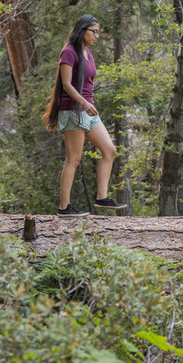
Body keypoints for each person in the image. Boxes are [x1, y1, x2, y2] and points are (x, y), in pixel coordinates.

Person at [43, 14, 127, 217]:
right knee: (74, 159)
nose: (97, 36)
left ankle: (102, 197)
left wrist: (88, 105)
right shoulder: (69, 52)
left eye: (99, 32)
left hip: (88, 111)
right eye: (94, 32)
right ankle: (64, 208)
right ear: (82, 31)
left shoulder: (88, 53)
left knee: (109, 150)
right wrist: (84, 103)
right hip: (73, 110)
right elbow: (66, 85)